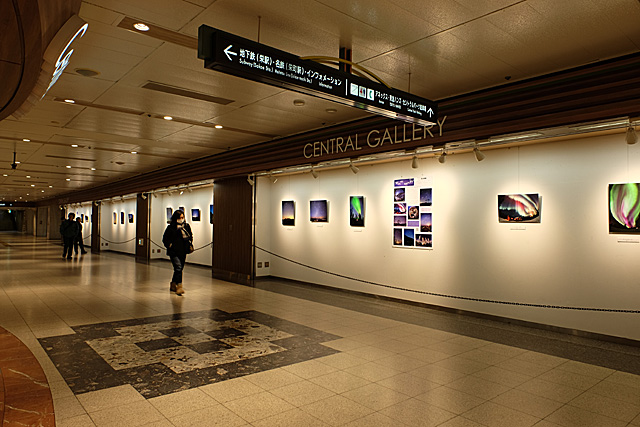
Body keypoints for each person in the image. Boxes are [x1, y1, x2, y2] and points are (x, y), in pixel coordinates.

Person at [162, 210, 193, 296]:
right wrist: (170, 245)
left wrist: (189, 244)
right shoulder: (171, 228)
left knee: (179, 269)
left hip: (183, 251)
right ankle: (179, 286)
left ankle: (173, 284)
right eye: (179, 218)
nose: (181, 219)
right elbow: (165, 239)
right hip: (174, 252)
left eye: (182, 217)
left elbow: (190, 235)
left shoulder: (186, 226)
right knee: (178, 267)